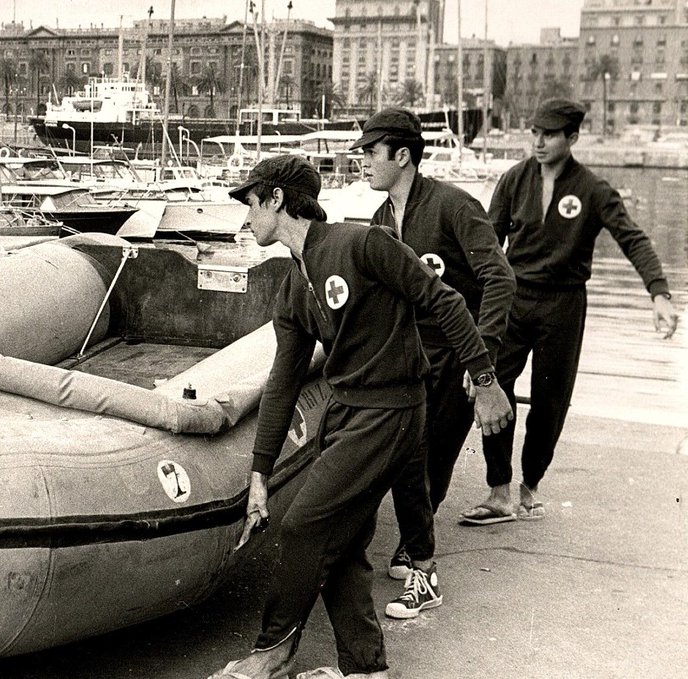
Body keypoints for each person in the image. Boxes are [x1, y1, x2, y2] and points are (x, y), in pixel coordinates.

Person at [207, 155, 513, 679]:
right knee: (342, 541)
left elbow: (447, 301)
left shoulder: (362, 244)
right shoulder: (294, 285)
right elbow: (282, 383)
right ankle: (367, 668)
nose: (244, 215)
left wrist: (484, 382)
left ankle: (273, 650)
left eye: (249, 201)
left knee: (304, 525)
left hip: (392, 410)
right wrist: (259, 474)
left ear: (276, 199)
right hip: (348, 413)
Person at [460, 99, 679, 526]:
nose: (538, 142)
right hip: (514, 299)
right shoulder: (514, 179)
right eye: (535, 132)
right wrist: (470, 301)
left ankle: (529, 488)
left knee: (550, 400)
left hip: (563, 304)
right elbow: (485, 244)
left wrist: (659, 294)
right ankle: (498, 490)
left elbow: (633, 239)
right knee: (493, 386)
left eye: (549, 134)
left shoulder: (594, 189)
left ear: (572, 137)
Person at [352, 108, 516, 620]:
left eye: (370, 152)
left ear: (402, 156)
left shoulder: (452, 206)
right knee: (407, 459)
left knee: (432, 460)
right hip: (411, 358)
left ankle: (421, 566)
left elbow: (500, 279)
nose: (362, 162)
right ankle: (413, 545)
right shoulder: (381, 220)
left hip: (457, 355)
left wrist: (480, 358)